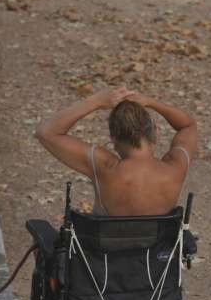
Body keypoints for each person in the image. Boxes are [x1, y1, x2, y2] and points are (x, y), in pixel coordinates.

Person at [34, 86, 197, 216]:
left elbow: (46, 132)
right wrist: (151, 102)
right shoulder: (175, 168)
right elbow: (188, 125)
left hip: (105, 256)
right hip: (160, 256)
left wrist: (95, 101)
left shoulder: (103, 167)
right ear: (154, 131)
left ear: (113, 137)